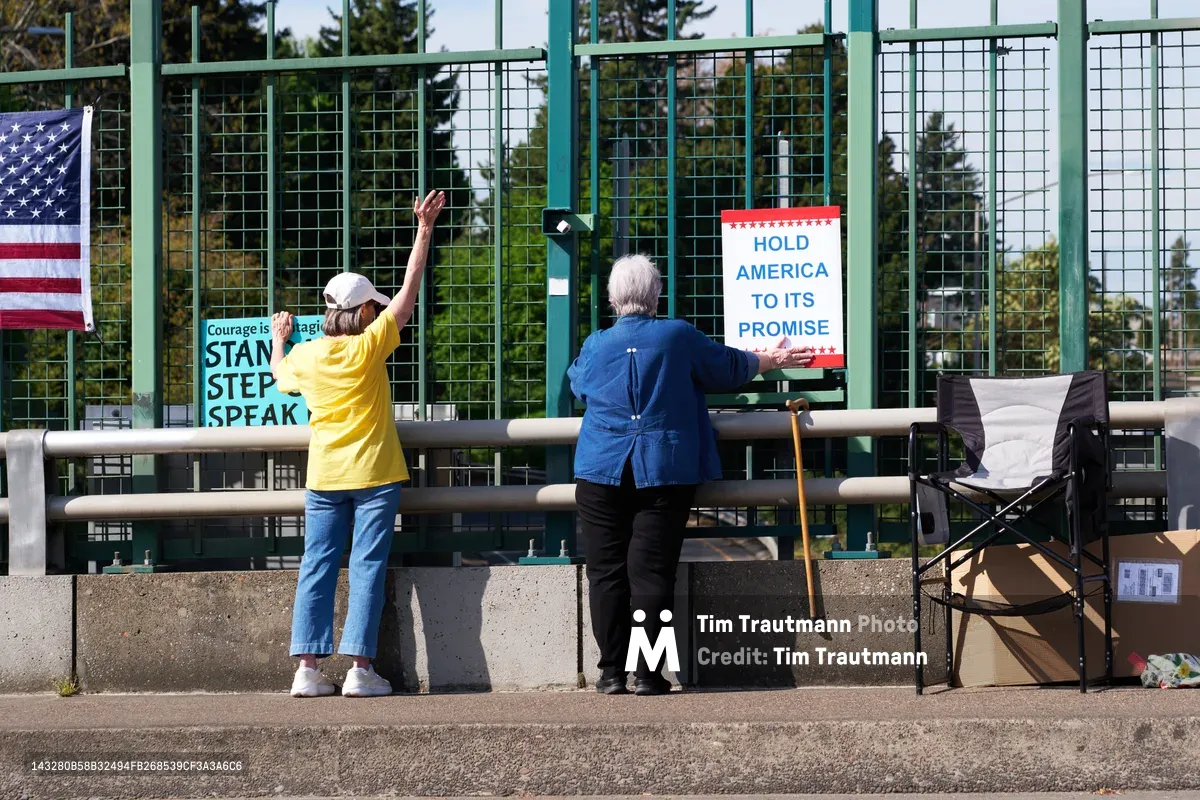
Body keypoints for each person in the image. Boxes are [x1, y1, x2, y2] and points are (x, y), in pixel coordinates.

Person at [568, 253, 815, 696]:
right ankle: (647, 674)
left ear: (611, 297)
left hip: (600, 469)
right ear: (656, 293)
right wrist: (772, 358)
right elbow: (728, 367)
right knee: (652, 573)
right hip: (663, 468)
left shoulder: (595, 343)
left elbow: (578, 383)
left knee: (605, 572)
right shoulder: (677, 336)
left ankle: (609, 674)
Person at [270, 189, 446, 698]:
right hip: (375, 475)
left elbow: (280, 373)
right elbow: (411, 289)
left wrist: (279, 336)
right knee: (366, 566)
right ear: (367, 312)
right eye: (375, 305)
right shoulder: (371, 347)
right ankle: (360, 670)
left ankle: (307, 668)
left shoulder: (306, 355)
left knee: (316, 564)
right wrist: (424, 228)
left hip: (324, 476)